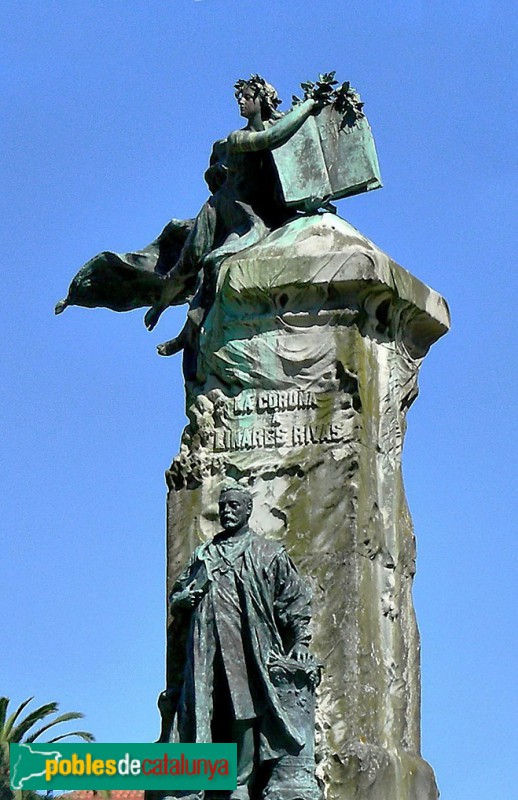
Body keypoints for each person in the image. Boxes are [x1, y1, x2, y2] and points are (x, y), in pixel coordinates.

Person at [165, 485, 315, 800]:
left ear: (248, 510)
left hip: (246, 645)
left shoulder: (267, 553)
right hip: (205, 645)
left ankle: (241, 780)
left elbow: (295, 598)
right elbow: (177, 594)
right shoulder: (205, 553)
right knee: (200, 709)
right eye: (223, 506)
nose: (227, 512)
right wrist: (183, 598)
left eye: (234, 506)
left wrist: (300, 639)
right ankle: (196, 781)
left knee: (243, 711)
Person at [143, 75, 321, 334]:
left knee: (214, 263)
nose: (241, 101)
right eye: (240, 97)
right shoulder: (238, 138)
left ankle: (190, 333)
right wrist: (308, 105)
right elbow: (270, 138)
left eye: (247, 97)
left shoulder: (282, 136)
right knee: (185, 266)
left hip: (247, 218)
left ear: (262, 101)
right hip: (219, 211)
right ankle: (160, 305)